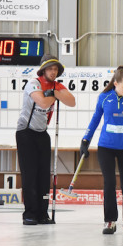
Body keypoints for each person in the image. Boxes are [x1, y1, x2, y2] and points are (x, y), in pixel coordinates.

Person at [81, 66, 123, 234]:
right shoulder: (104, 97)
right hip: (106, 147)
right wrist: (85, 140)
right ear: (115, 83)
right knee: (109, 183)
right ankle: (109, 221)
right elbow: (95, 119)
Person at [16, 54, 75, 225]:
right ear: (43, 69)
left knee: (44, 176)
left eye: (56, 69)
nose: (53, 71)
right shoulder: (34, 83)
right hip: (26, 132)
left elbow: (71, 101)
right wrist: (55, 96)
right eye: (50, 68)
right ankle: (29, 212)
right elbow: (42, 102)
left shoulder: (56, 85)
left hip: (42, 133)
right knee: (30, 174)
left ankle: (42, 212)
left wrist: (56, 92)